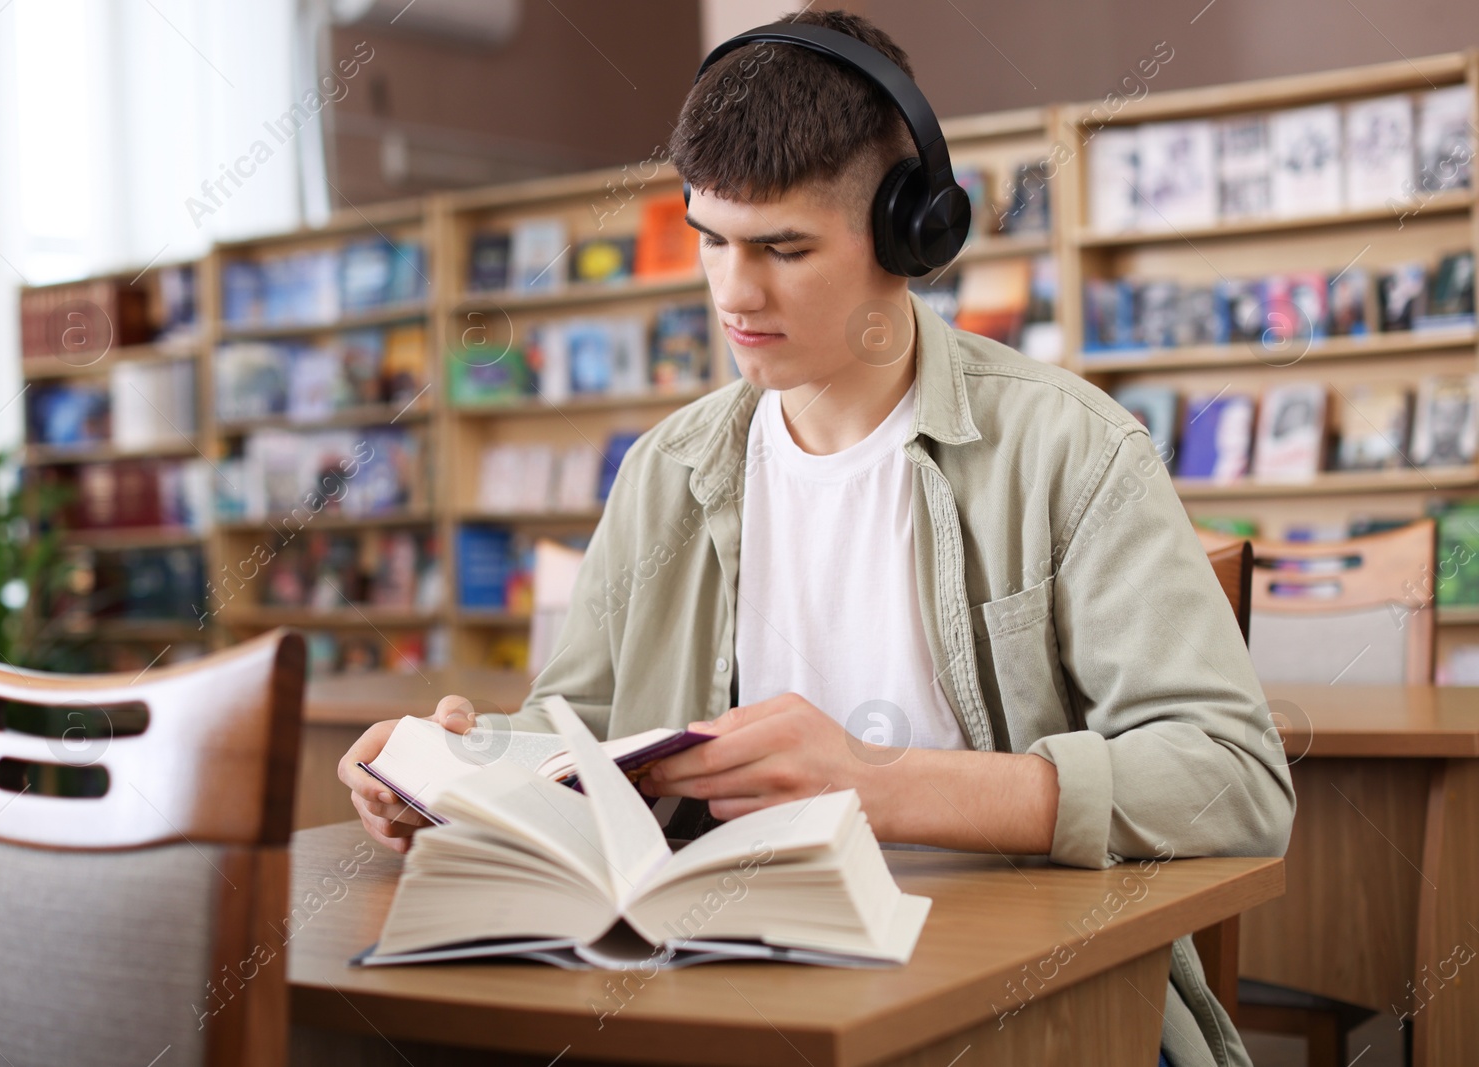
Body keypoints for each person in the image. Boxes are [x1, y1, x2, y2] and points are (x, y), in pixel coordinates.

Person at [340, 11, 1292, 1066]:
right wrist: (455, 771)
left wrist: (876, 779)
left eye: (782, 248)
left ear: (909, 232)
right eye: (710, 240)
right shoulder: (667, 471)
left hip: (1035, 997)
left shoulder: (1074, 450)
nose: (733, 293)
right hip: (729, 990)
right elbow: (588, 733)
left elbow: (1233, 777)